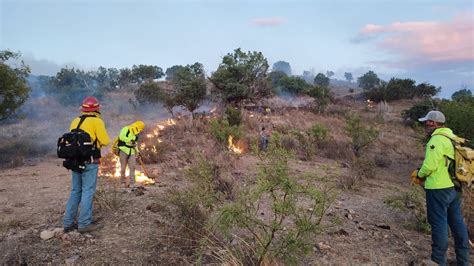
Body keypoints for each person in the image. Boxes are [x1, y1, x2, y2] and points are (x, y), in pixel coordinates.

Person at [415, 110, 470, 265]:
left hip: (439, 188)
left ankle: (438, 261)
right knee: (457, 222)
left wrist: (419, 174)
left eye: (427, 122)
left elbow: (430, 165)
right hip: (455, 187)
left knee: (438, 223)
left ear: (433, 123)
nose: (425, 125)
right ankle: (464, 261)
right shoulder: (452, 138)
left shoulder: (437, 139)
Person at [64, 96, 110, 233]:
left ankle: (68, 223)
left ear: (83, 109)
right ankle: (84, 224)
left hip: (75, 161)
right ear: (97, 109)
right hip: (90, 161)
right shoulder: (97, 121)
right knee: (88, 191)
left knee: (75, 191)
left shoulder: (75, 121)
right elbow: (105, 141)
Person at [118, 121, 145, 188]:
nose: (139, 130)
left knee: (132, 167)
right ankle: (122, 183)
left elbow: (135, 144)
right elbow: (121, 137)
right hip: (123, 150)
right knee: (123, 168)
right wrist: (130, 140)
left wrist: (138, 152)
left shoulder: (137, 133)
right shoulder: (126, 129)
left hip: (132, 151)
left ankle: (133, 183)